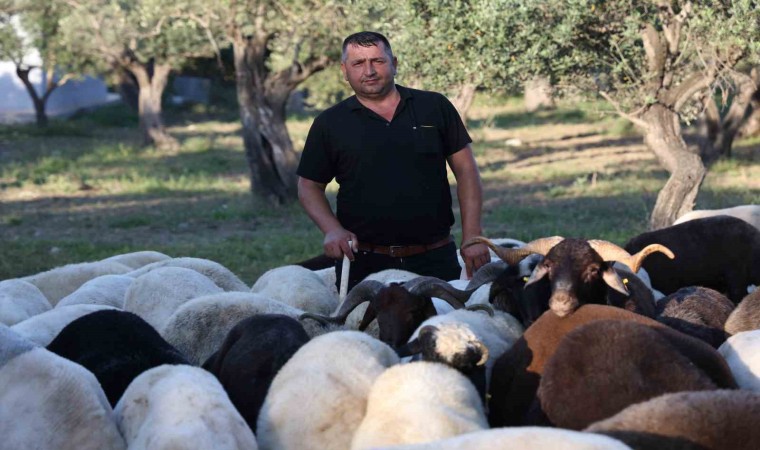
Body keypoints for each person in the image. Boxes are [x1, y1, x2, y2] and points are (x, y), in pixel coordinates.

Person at [297, 31, 490, 291]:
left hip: (435, 257)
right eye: (358, 63)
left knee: (444, 318)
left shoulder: (434, 107)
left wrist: (473, 236)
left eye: (377, 61)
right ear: (344, 70)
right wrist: (332, 229)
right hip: (364, 261)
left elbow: (466, 172)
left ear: (394, 63)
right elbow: (309, 185)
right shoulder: (329, 123)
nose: (369, 71)